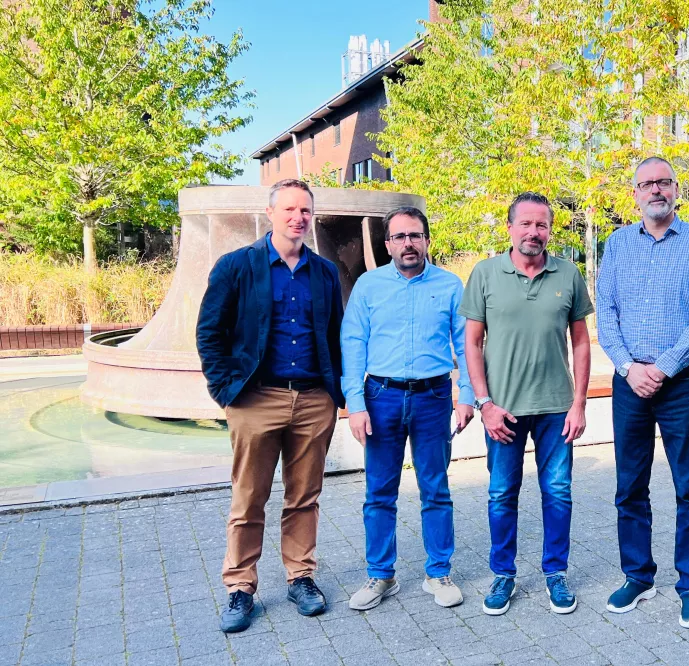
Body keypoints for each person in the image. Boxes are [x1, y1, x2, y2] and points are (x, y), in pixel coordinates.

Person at [196, 179, 344, 633]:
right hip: (255, 399)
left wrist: (335, 393)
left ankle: (301, 577)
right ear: (270, 213)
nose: (298, 217)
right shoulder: (237, 266)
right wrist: (226, 391)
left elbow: (335, 335)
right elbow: (209, 332)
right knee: (249, 497)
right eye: (290, 209)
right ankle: (240, 587)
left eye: (305, 210)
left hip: (313, 399)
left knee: (304, 498)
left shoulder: (323, 272)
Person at [597, 156, 689, 629]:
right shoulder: (617, 244)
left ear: (676, 189)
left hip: (683, 384)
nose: (656, 190)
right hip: (630, 384)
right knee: (630, 485)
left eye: (664, 182)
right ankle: (638, 575)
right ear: (635, 193)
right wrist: (630, 368)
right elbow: (606, 313)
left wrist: (663, 368)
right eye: (646, 184)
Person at [460, 192, 594, 616]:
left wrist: (579, 404)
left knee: (557, 492)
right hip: (503, 409)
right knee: (502, 493)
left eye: (542, 225)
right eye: (526, 224)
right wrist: (484, 403)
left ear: (550, 230)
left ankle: (555, 572)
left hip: (557, 408)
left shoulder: (568, 274)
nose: (534, 232)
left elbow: (581, 342)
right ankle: (503, 574)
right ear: (509, 228)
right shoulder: (484, 274)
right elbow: (472, 343)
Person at [340, 206, 475, 611]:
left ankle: (438, 573)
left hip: (433, 398)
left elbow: (466, 345)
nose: (408, 244)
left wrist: (466, 395)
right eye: (399, 237)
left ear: (427, 240)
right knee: (379, 491)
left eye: (415, 235)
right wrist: (355, 403)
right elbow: (353, 344)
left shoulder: (451, 286)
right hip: (380, 398)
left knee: (435, 488)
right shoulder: (368, 286)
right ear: (387, 245)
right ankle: (381, 575)